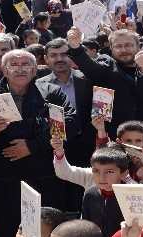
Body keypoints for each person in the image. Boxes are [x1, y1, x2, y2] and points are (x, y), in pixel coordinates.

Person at [0, 49, 76, 237]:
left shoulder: (52, 93)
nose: (21, 69)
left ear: (35, 70)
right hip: (4, 178)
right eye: (14, 65)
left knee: (46, 231)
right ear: (4, 69)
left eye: (26, 64)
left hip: (44, 174)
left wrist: (33, 146)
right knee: (8, 232)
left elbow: (68, 124)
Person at [66, 27, 143, 139]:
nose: (123, 50)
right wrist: (76, 47)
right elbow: (92, 70)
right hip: (113, 137)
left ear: (138, 47)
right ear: (111, 49)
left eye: (128, 45)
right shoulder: (108, 64)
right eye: (118, 46)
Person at [36, 38, 95, 169]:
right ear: (46, 59)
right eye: (53, 55)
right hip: (57, 147)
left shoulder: (87, 79)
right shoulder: (38, 85)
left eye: (64, 54)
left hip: (89, 147)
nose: (59, 59)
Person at [81, 146, 127, 237]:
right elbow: (87, 227)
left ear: (123, 173)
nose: (101, 177)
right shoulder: (90, 194)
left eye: (109, 172)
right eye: (96, 171)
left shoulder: (130, 196)